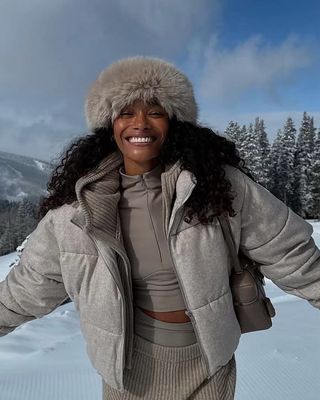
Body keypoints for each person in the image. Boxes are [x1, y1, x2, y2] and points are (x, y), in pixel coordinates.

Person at [0, 56, 319, 400]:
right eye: (126, 113)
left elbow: (291, 255)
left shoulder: (219, 187)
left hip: (209, 364)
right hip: (127, 372)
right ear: (109, 124)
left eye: (155, 111)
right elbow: (30, 286)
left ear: (174, 121)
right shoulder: (76, 212)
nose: (140, 123)